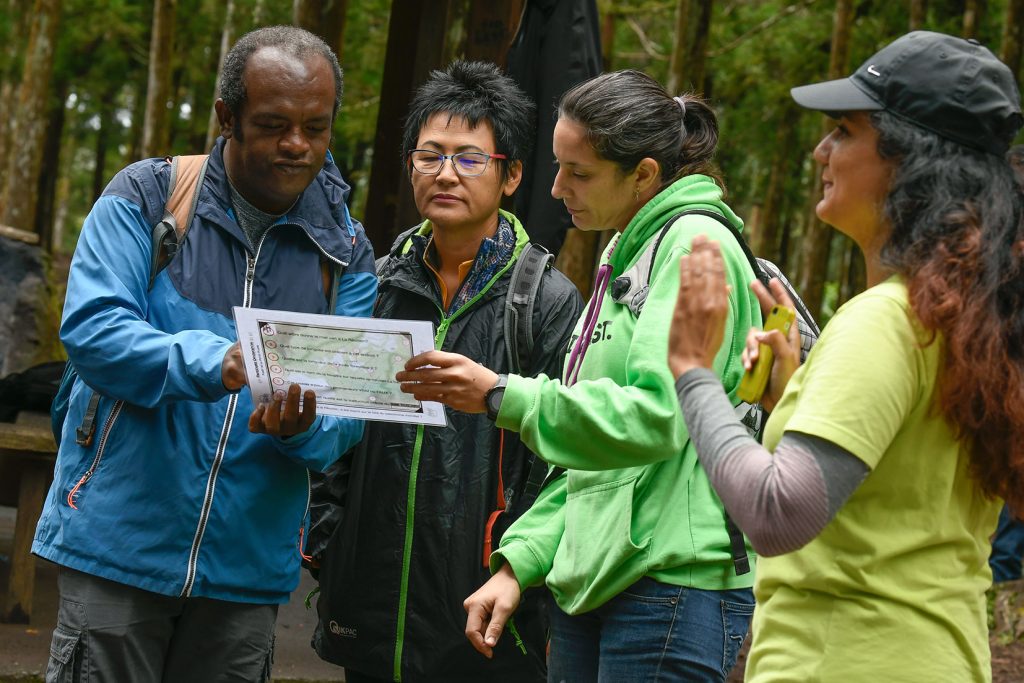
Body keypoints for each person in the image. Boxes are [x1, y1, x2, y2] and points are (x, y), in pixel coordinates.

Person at [668, 31, 1023, 682]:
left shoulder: (884, 320)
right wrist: (794, 395)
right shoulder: (956, 319)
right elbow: (897, 499)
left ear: (911, 161)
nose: (819, 149)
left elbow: (780, 511)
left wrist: (693, 372)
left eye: (842, 131)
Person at [34, 26, 376, 683]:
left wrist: (307, 425)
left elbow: (345, 408)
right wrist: (217, 362)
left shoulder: (347, 253)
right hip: (116, 548)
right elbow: (94, 329)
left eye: (316, 125)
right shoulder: (149, 197)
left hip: (244, 572)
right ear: (227, 117)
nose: (297, 145)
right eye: (275, 124)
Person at [398, 70, 762, 682]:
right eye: (558, 165)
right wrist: (521, 562)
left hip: (671, 588)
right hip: (594, 581)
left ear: (643, 174)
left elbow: (659, 417)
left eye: (580, 172)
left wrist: (499, 394)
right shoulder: (627, 250)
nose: (558, 186)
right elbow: (593, 459)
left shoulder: (695, 247)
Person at [307, 61, 582, 683]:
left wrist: (517, 570)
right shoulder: (373, 287)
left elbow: (561, 460)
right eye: (429, 155)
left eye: (469, 158)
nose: (445, 173)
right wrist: (329, 548)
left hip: (486, 616)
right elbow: (337, 433)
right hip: (370, 610)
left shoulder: (543, 302)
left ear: (510, 176)